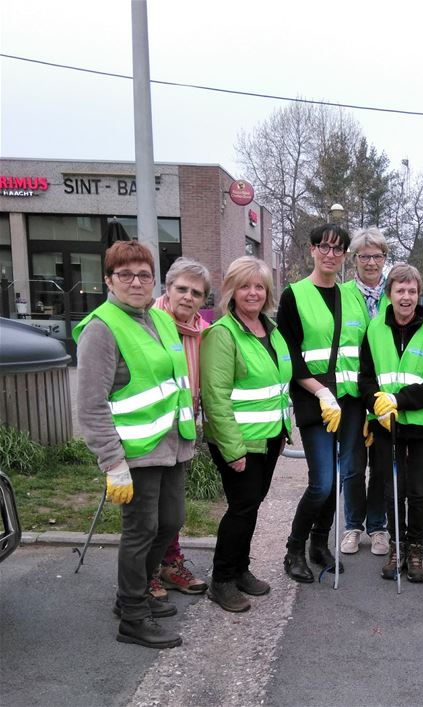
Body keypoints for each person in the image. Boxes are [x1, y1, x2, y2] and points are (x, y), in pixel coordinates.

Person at [75, 240, 195, 649]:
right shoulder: (101, 329)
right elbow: (90, 405)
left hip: (170, 446)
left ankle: (137, 591)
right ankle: (132, 615)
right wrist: (112, 462)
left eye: (144, 274)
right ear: (108, 280)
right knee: (140, 531)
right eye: (125, 274)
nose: (136, 281)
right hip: (134, 454)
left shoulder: (158, 320)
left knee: (170, 522)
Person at [200, 256, 292, 612]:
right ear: (232, 292)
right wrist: (233, 449)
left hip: (269, 437)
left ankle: (241, 569)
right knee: (240, 509)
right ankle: (221, 579)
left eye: (259, 286)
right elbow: (216, 397)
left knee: (251, 507)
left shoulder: (270, 330)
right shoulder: (222, 335)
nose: (252, 293)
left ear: (267, 292)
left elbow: (276, 385)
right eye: (244, 286)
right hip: (239, 442)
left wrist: (282, 430)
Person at [277, 224, 367, 583]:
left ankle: (319, 544)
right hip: (316, 401)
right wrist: (320, 392)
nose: (331, 254)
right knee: (322, 483)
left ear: (345, 255)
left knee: (340, 480)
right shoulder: (294, 295)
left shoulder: (353, 296)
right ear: (312, 249)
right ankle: (294, 548)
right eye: (324, 247)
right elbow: (289, 356)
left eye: (338, 249)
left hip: (350, 402)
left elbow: (363, 349)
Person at [359, 263, 423, 583]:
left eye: (412, 291)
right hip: (385, 424)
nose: (406, 297)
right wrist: (376, 403)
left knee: (416, 489)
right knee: (392, 489)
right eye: (400, 291)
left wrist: (398, 399)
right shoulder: (374, 329)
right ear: (389, 294)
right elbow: (365, 378)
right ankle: (397, 547)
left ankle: (415, 549)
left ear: (418, 294)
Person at [150, 257, 212, 598]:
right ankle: (146, 575)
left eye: (197, 293)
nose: (188, 297)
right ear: (168, 289)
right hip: (148, 430)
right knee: (149, 511)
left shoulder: (202, 331)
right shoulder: (147, 323)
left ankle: (169, 564)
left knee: (172, 509)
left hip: (182, 428)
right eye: (182, 289)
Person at [338, 226, 390, 556]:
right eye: (364, 256)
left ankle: (379, 526)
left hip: (386, 393)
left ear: (385, 258)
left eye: (377, 256)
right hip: (352, 394)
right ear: (354, 259)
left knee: (383, 464)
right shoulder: (340, 294)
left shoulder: (395, 292)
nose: (371, 262)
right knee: (353, 464)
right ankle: (353, 525)